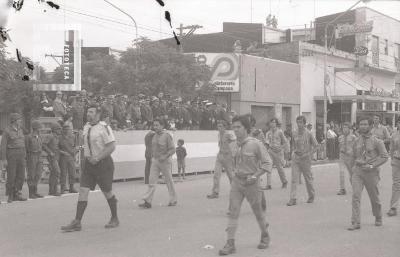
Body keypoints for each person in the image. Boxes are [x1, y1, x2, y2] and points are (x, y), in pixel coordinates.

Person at [218, 115, 272, 256]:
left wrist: (255, 176)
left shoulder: (256, 144)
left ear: (246, 128)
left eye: (238, 127)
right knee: (233, 211)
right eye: (233, 127)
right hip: (237, 182)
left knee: (258, 212)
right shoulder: (233, 145)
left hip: (252, 183)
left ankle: (265, 235)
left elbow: (267, 163)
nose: (235, 130)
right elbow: (233, 163)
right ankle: (230, 243)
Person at [61, 104, 119, 232]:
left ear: (98, 114)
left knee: (107, 192)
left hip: (103, 164)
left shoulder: (104, 127)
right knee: (83, 190)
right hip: (89, 165)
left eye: (92, 112)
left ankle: (114, 218)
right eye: (88, 112)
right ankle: (77, 221)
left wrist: (97, 157)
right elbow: (86, 143)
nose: (89, 114)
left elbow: (111, 146)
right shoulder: (86, 126)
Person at [348, 117, 388, 231]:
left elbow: (385, 157)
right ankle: (355, 221)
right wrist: (352, 172)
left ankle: (378, 216)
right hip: (358, 171)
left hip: (371, 172)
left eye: (365, 124)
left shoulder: (377, 140)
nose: (363, 126)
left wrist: (372, 165)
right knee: (355, 195)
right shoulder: (356, 141)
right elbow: (352, 157)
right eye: (361, 124)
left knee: (374, 197)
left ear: (370, 126)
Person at [139, 118, 177, 208]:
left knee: (169, 181)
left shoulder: (167, 136)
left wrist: (165, 156)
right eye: (154, 125)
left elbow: (172, 149)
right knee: (151, 181)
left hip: (165, 161)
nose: (155, 127)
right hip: (155, 161)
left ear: (162, 126)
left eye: (157, 125)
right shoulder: (154, 135)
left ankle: (173, 199)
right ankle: (148, 201)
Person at [287, 116, 318, 206]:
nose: (299, 124)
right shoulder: (294, 133)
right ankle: (293, 198)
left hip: (305, 159)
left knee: (308, 178)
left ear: (304, 124)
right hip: (296, 158)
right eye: (298, 122)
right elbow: (293, 144)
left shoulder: (309, 134)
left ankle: (311, 195)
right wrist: (292, 153)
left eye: (301, 122)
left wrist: (309, 154)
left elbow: (316, 146)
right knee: (294, 179)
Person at [0, 113, 27, 202]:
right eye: (19, 119)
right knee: (12, 176)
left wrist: (24, 154)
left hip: (21, 154)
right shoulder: (7, 131)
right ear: (14, 121)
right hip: (11, 154)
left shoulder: (20, 129)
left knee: (21, 175)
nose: (20, 121)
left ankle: (17, 192)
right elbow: (3, 146)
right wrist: (3, 159)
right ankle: (10, 194)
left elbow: (22, 142)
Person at [207, 120, 235, 199]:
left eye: (220, 126)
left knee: (230, 175)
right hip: (220, 155)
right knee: (216, 174)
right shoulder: (219, 134)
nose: (219, 128)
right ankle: (215, 192)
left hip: (227, 156)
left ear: (224, 127)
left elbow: (235, 142)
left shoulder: (228, 134)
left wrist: (232, 153)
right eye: (218, 126)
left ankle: (235, 191)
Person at [265, 118, 289, 189]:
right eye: (271, 122)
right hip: (271, 151)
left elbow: (285, 142)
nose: (272, 124)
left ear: (276, 123)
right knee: (268, 167)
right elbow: (267, 143)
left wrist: (281, 148)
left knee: (279, 168)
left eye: (274, 122)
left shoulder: (280, 132)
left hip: (278, 152)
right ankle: (268, 185)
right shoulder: (268, 133)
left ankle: (284, 181)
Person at [25, 120, 44, 199]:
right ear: (36, 128)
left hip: (39, 156)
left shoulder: (39, 136)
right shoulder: (29, 137)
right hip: (31, 156)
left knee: (38, 174)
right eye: (40, 127)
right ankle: (31, 193)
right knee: (31, 175)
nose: (41, 129)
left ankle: (35, 191)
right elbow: (26, 148)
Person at [43, 123, 62, 196]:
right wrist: (50, 152)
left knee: (54, 173)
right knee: (57, 172)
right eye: (58, 129)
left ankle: (52, 190)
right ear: (54, 130)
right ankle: (53, 190)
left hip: (57, 156)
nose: (60, 130)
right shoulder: (50, 136)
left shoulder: (57, 137)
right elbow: (44, 145)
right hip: (52, 157)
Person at [337, 122, 356, 196]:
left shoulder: (353, 137)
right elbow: (339, 146)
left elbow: (356, 147)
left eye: (346, 127)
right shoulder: (340, 137)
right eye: (343, 127)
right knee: (341, 172)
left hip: (350, 157)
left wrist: (351, 152)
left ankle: (355, 188)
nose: (344, 129)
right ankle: (342, 189)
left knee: (352, 174)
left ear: (349, 129)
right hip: (342, 156)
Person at [59, 124, 78, 194]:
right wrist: (63, 152)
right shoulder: (59, 138)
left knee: (72, 172)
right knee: (63, 173)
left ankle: (71, 187)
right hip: (63, 157)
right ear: (63, 130)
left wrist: (75, 155)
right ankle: (62, 188)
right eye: (65, 129)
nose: (67, 131)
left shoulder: (73, 137)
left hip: (71, 157)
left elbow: (75, 146)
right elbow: (56, 149)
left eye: (68, 129)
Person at [387, 117, 400, 217]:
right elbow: (391, 149)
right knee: (396, 184)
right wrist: (392, 159)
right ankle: (393, 207)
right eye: (399, 122)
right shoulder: (394, 135)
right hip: (397, 160)